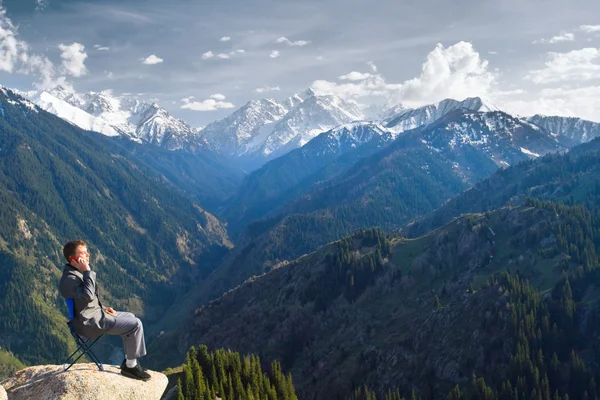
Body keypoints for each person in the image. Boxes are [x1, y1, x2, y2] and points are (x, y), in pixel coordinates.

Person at [59, 240, 151, 380]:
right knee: (136, 324)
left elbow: (84, 303)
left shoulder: (75, 273)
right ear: (73, 259)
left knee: (131, 316)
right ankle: (131, 367)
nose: (88, 255)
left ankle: (130, 360)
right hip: (88, 324)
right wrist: (87, 271)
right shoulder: (69, 279)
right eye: (83, 253)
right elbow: (88, 296)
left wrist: (103, 309)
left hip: (94, 315)